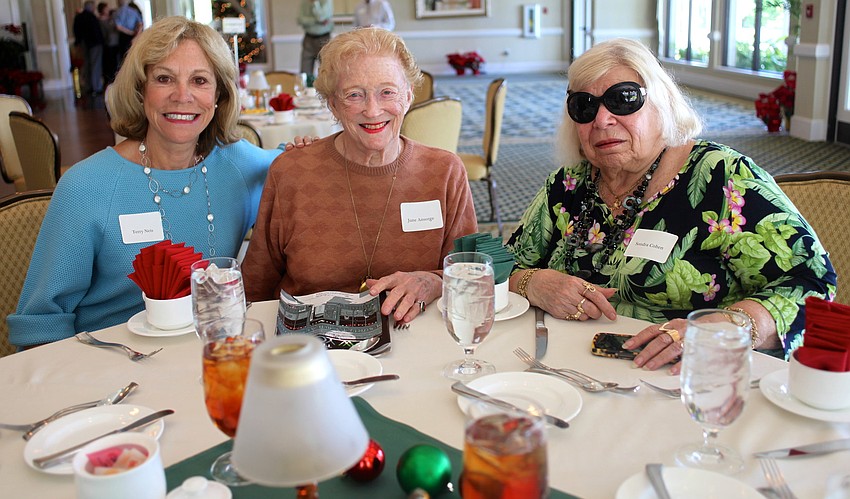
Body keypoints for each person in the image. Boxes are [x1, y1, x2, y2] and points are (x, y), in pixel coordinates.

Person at [505, 38, 835, 373]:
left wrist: (724, 329)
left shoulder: (723, 178)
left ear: (661, 103)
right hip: (568, 367)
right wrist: (531, 282)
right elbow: (497, 269)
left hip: (687, 376)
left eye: (623, 98)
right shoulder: (568, 185)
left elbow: (811, 286)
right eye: (584, 106)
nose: (602, 119)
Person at [7, 16, 281, 348]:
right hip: (111, 363)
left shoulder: (238, 166)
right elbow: (41, 323)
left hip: (208, 356)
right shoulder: (86, 187)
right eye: (164, 78)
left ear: (219, 95)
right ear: (140, 90)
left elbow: (299, 169)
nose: (182, 96)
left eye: (199, 80)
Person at [242, 27, 478, 324]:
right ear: (333, 105)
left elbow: (470, 274)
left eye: (387, 92)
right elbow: (255, 287)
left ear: (407, 96)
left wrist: (434, 282)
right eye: (354, 95)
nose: (373, 109)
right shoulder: (292, 173)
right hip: (310, 347)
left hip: (417, 337)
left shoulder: (444, 172)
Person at [73, 1, 104, 96]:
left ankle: (88, 87)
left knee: (87, 65)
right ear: (91, 7)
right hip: (94, 44)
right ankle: (96, 87)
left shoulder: (79, 17)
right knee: (95, 65)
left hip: (84, 44)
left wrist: (78, 43)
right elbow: (96, 32)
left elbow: (76, 31)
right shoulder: (91, 17)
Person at [297, 0, 334, 76]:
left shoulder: (327, 1)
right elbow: (300, 20)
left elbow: (321, 17)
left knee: (326, 72)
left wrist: (315, 2)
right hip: (308, 39)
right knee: (304, 72)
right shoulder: (304, 2)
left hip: (324, 39)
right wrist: (317, 21)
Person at [97, 2, 120, 85]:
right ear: (103, 9)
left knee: (115, 62)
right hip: (109, 44)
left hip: (115, 43)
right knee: (110, 64)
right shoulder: (101, 20)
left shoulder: (110, 18)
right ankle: (110, 80)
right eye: (106, 8)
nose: (108, 9)